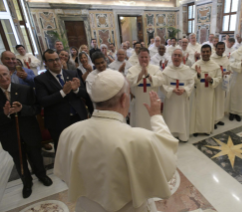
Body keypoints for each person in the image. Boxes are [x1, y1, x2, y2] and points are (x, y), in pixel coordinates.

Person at [54, 69, 178, 212]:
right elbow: (167, 165)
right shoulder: (140, 139)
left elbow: (64, 173)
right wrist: (156, 117)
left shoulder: (68, 133)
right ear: (124, 99)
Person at [0, 65, 52, 199]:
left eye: (5, 74)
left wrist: (22, 108)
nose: (3, 78)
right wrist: (4, 114)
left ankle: (42, 175)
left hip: (29, 131)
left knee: (36, 156)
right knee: (19, 160)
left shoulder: (25, 90)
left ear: (10, 73)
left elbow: (36, 109)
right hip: (9, 136)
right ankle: (27, 183)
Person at [34, 49, 88, 152]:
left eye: (57, 59)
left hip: (78, 117)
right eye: (51, 60)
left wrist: (76, 90)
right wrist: (62, 92)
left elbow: (85, 93)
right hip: (58, 122)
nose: (55, 62)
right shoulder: (41, 80)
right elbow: (43, 101)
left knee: (83, 147)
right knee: (64, 151)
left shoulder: (72, 73)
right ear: (45, 63)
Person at [160, 49, 195, 142]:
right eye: (175, 55)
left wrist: (185, 89)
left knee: (182, 118)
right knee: (171, 118)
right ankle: (171, 135)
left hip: (182, 99)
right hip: (171, 99)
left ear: (182, 58)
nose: (177, 57)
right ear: (171, 57)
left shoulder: (187, 70)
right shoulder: (166, 70)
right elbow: (162, 84)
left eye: (179, 55)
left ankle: (183, 136)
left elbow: (192, 82)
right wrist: (172, 89)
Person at [126, 48, 162, 130]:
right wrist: (141, 74)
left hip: (151, 101)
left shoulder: (155, 69)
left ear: (149, 57)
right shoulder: (132, 70)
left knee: (151, 122)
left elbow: (160, 80)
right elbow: (129, 81)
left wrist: (148, 76)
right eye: (142, 57)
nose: (144, 59)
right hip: (138, 101)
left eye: (146, 57)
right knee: (138, 122)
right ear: (138, 58)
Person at [191, 44, 221, 135]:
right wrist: (198, 75)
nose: (205, 53)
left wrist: (212, 80)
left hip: (209, 92)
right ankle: (196, 129)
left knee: (207, 110)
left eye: (207, 51)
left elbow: (219, 78)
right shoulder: (196, 65)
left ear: (211, 52)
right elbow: (191, 79)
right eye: (203, 52)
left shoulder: (215, 66)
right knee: (197, 111)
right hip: (198, 92)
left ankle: (206, 129)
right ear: (200, 53)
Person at [211, 42, 231, 128]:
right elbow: (210, 72)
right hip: (215, 84)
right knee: (214, 102)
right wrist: (220, 75)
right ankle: (212, 120)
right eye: (218, 48)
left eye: (222, 49)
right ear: (215, 48)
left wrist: (228, 74)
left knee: (221, 101)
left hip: (223, 83)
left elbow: (229, 68)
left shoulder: (225, 57)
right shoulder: (211, 58)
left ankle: (218, 118)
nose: (220, 50)